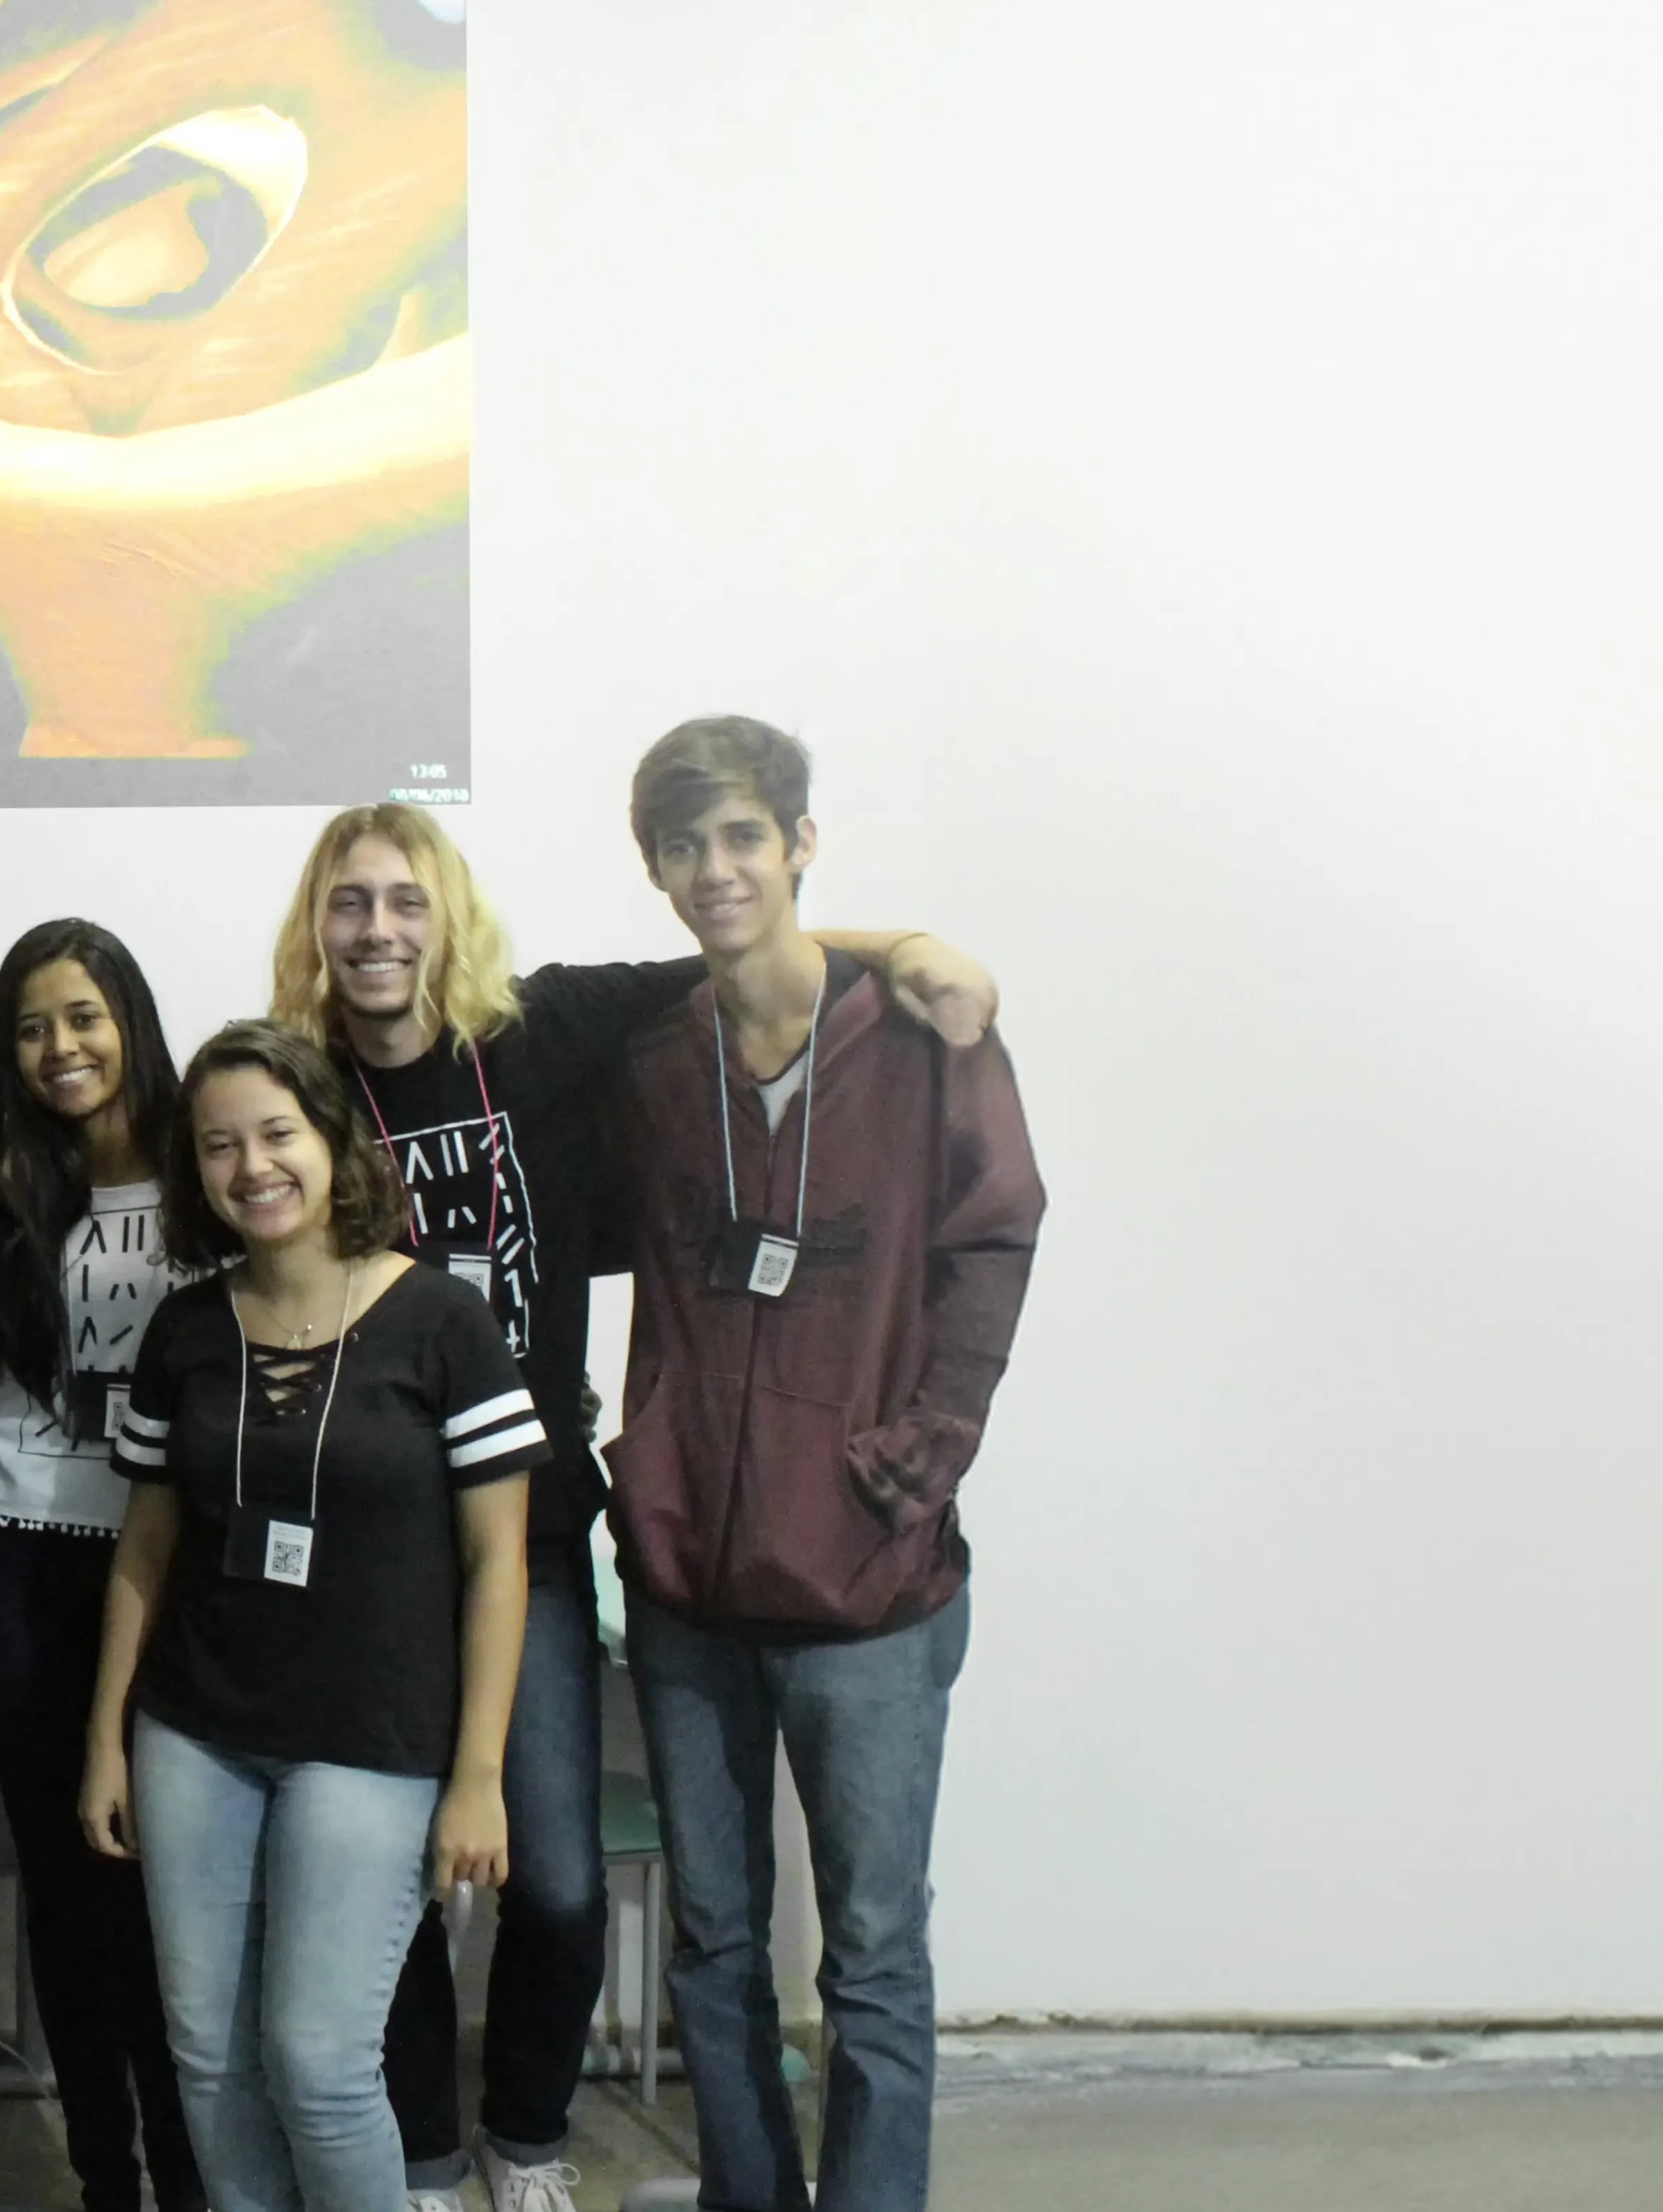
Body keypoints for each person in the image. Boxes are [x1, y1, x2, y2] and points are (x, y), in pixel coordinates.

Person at [267, 803, 995, 2212]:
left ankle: (524, 2136)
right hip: (361, 1554)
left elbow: (746, 953)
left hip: (529, 1534)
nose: (377, 931)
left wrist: (908, 945)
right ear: (317, 927)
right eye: (349, 904)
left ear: (447, 916)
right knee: (384, 1881)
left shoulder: (535, 1033)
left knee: (552, 1880)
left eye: (404, 901)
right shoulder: (296, 1082)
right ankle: (423, 2156)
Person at [594, 718, 1042, 2212]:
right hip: (687, 1584)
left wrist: (917, 1463)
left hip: (870, 1588)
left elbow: (992, 1240)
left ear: (798, 843)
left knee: (873, 1955)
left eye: (741, 836)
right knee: (713, 1946)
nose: (714, 871)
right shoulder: (654, 1061)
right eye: (683, 846)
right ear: (654, 869)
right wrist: (646, 1457)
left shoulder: (921, 1042)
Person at [78, 1020, 546, 2212]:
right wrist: (105, 1742)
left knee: (320, 2066)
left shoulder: (442, 1323)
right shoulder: (185, 1330)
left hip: (371, 1742)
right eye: (219, 1145)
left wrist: (478, 1776)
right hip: (193, 1733)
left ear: (333, 1140)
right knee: (208, 2061)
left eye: (277, 1134)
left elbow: (498, 1562)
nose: (253, 1167)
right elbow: (144, 1549)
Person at [0, 920, 208, 2212]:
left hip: (168, 1564)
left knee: (167, 1893)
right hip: (16, 1553)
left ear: (131, 1022)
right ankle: (104, 2173)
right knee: (65, 1888)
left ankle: (190, 2169)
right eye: (30, 1027)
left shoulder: (207, 1163)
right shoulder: (3, 1183)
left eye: (82, 1017)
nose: (59, 1048)